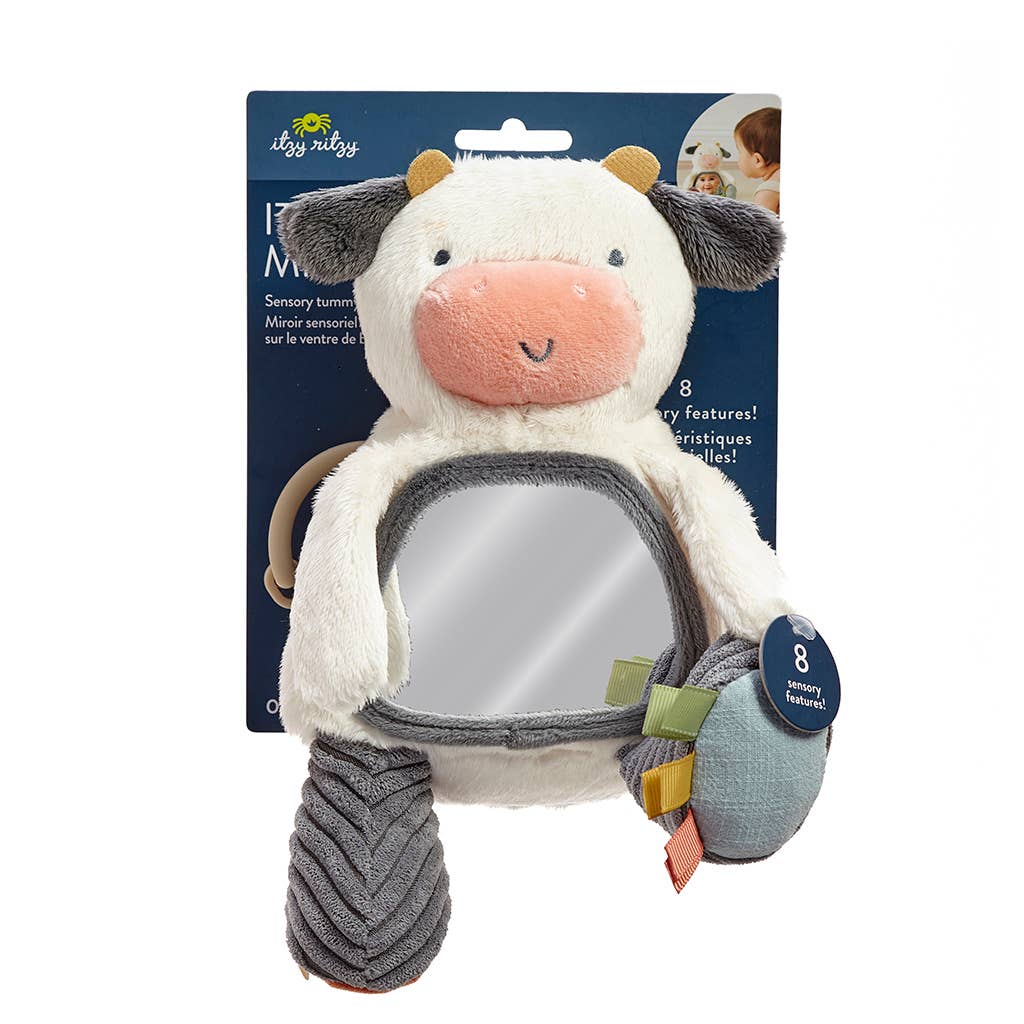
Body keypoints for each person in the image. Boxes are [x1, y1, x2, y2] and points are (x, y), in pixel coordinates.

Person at [733, 107, 781, 214]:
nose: (738, 158)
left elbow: (759, 223)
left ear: (758, 160)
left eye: (739, 151)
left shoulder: (767, 191)